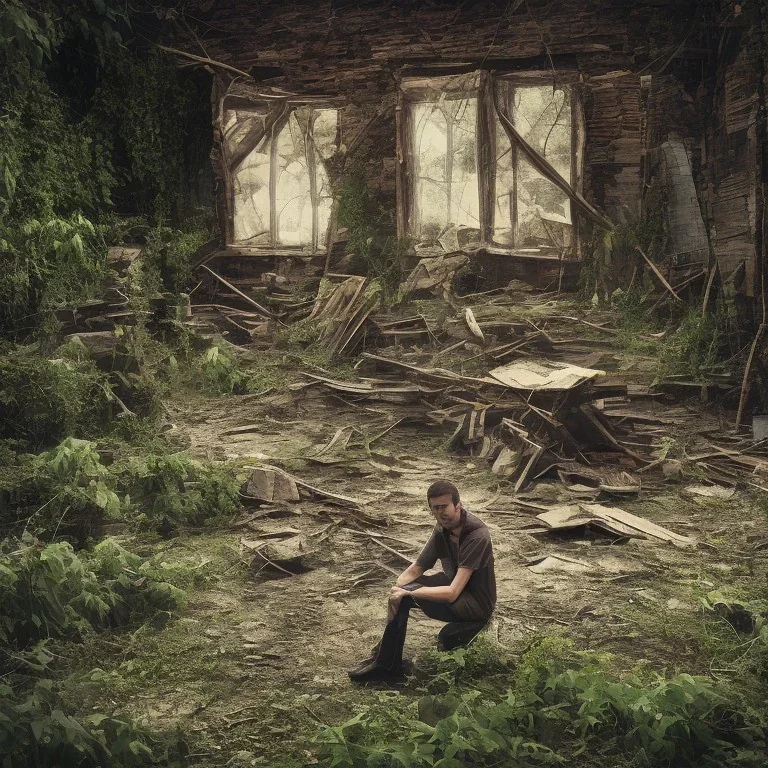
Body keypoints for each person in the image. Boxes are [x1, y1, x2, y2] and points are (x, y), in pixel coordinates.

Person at [348, 479, 496, 683]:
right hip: (456, 590)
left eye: (444, 507)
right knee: (401, 594)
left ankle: (388, 668)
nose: (440, 513)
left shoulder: (477, 535)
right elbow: (418, 567)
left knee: (407, 596)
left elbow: (453, 592)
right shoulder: (442, 528)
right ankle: (386, 657)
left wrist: (408, 593)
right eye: (435, 508)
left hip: (475, 604)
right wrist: (397, 588)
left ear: (458, 505)